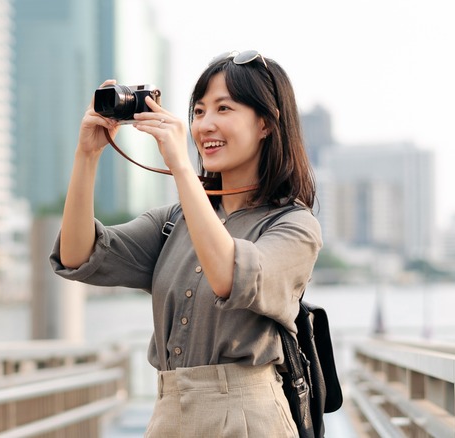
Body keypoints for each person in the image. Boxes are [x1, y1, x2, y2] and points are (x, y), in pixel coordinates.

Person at [50, 50, 322, 437]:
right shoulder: (174, 220)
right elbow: (77, 255)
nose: (205, 125)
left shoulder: (294, 225)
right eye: (198, 112)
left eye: (223, 109)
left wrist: (180, 166)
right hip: (169, 414)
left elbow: (229, 275)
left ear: (265, 123)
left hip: (249, 416)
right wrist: (87, 154)